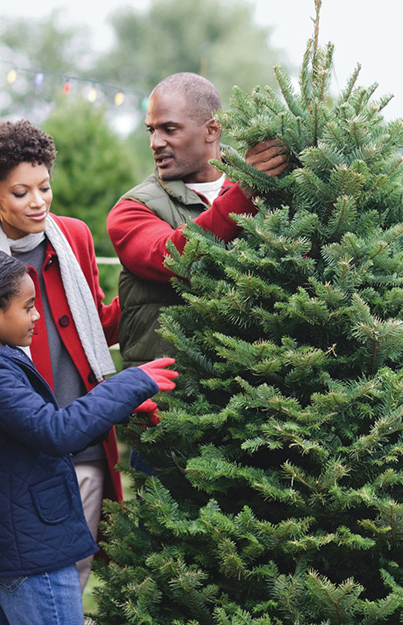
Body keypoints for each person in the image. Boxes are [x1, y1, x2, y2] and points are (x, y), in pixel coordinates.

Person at [0, 250, 177, 625]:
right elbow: (56, 432)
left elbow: (40, 430)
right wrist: (132, 382)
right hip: (32, 552)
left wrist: (121, 407)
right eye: (29, 306)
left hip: (29, 540)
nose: (37, 316)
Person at [0, 120, 132, 617]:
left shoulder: (75, 238)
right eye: (21, 192)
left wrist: (147, 300)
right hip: (23, 458)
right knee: (41, 587)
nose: (39, 201)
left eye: (44, 187)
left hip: (84, 440)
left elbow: (94, 322)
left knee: (69, 574)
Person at [107, 73, 289, 458]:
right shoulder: (131, 209)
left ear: (211, 130)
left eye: (169, 129)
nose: (156, 142)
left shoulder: (262, 190)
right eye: (151, 130)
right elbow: (171, 255)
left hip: (256, 414)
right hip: (168, 418)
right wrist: (245, 193)